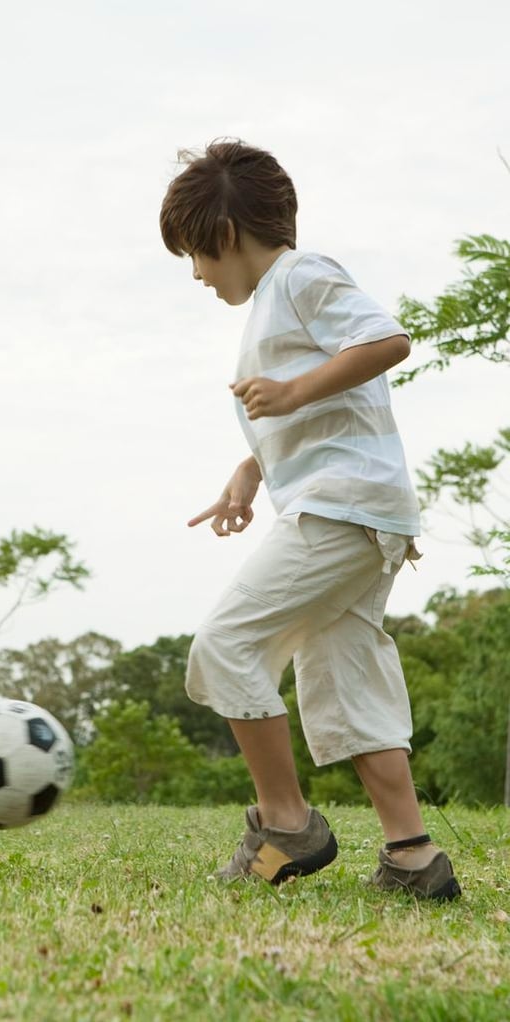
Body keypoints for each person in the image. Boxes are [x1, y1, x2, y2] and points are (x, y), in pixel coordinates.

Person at [159, 140, 460, 901]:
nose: (195, 274)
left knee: (226, 646)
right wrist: (247, 473)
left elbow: (386, 340)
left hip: (342, 510)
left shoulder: (301, 274)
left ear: (224, 235)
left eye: (195, 255)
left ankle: (286, 823)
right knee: (345, 677)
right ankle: (412, 857)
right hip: (360, 513)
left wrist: (290, 395)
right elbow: (319, 417)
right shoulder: (274, 304)